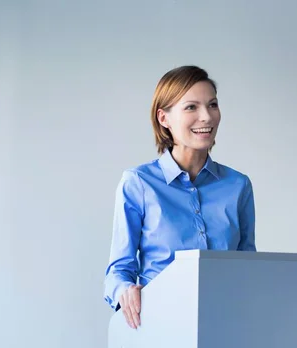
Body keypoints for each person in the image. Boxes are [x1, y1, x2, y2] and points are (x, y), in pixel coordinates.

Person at [103, 65, 257, 329]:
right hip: (160, 326)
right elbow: (118, 271)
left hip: (226, 324)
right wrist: (125, 291)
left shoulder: (238, 186)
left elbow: (249, 268)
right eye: (191, 107)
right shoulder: (139, 183)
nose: (206, 117)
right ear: (164, 118)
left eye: (213, 105)